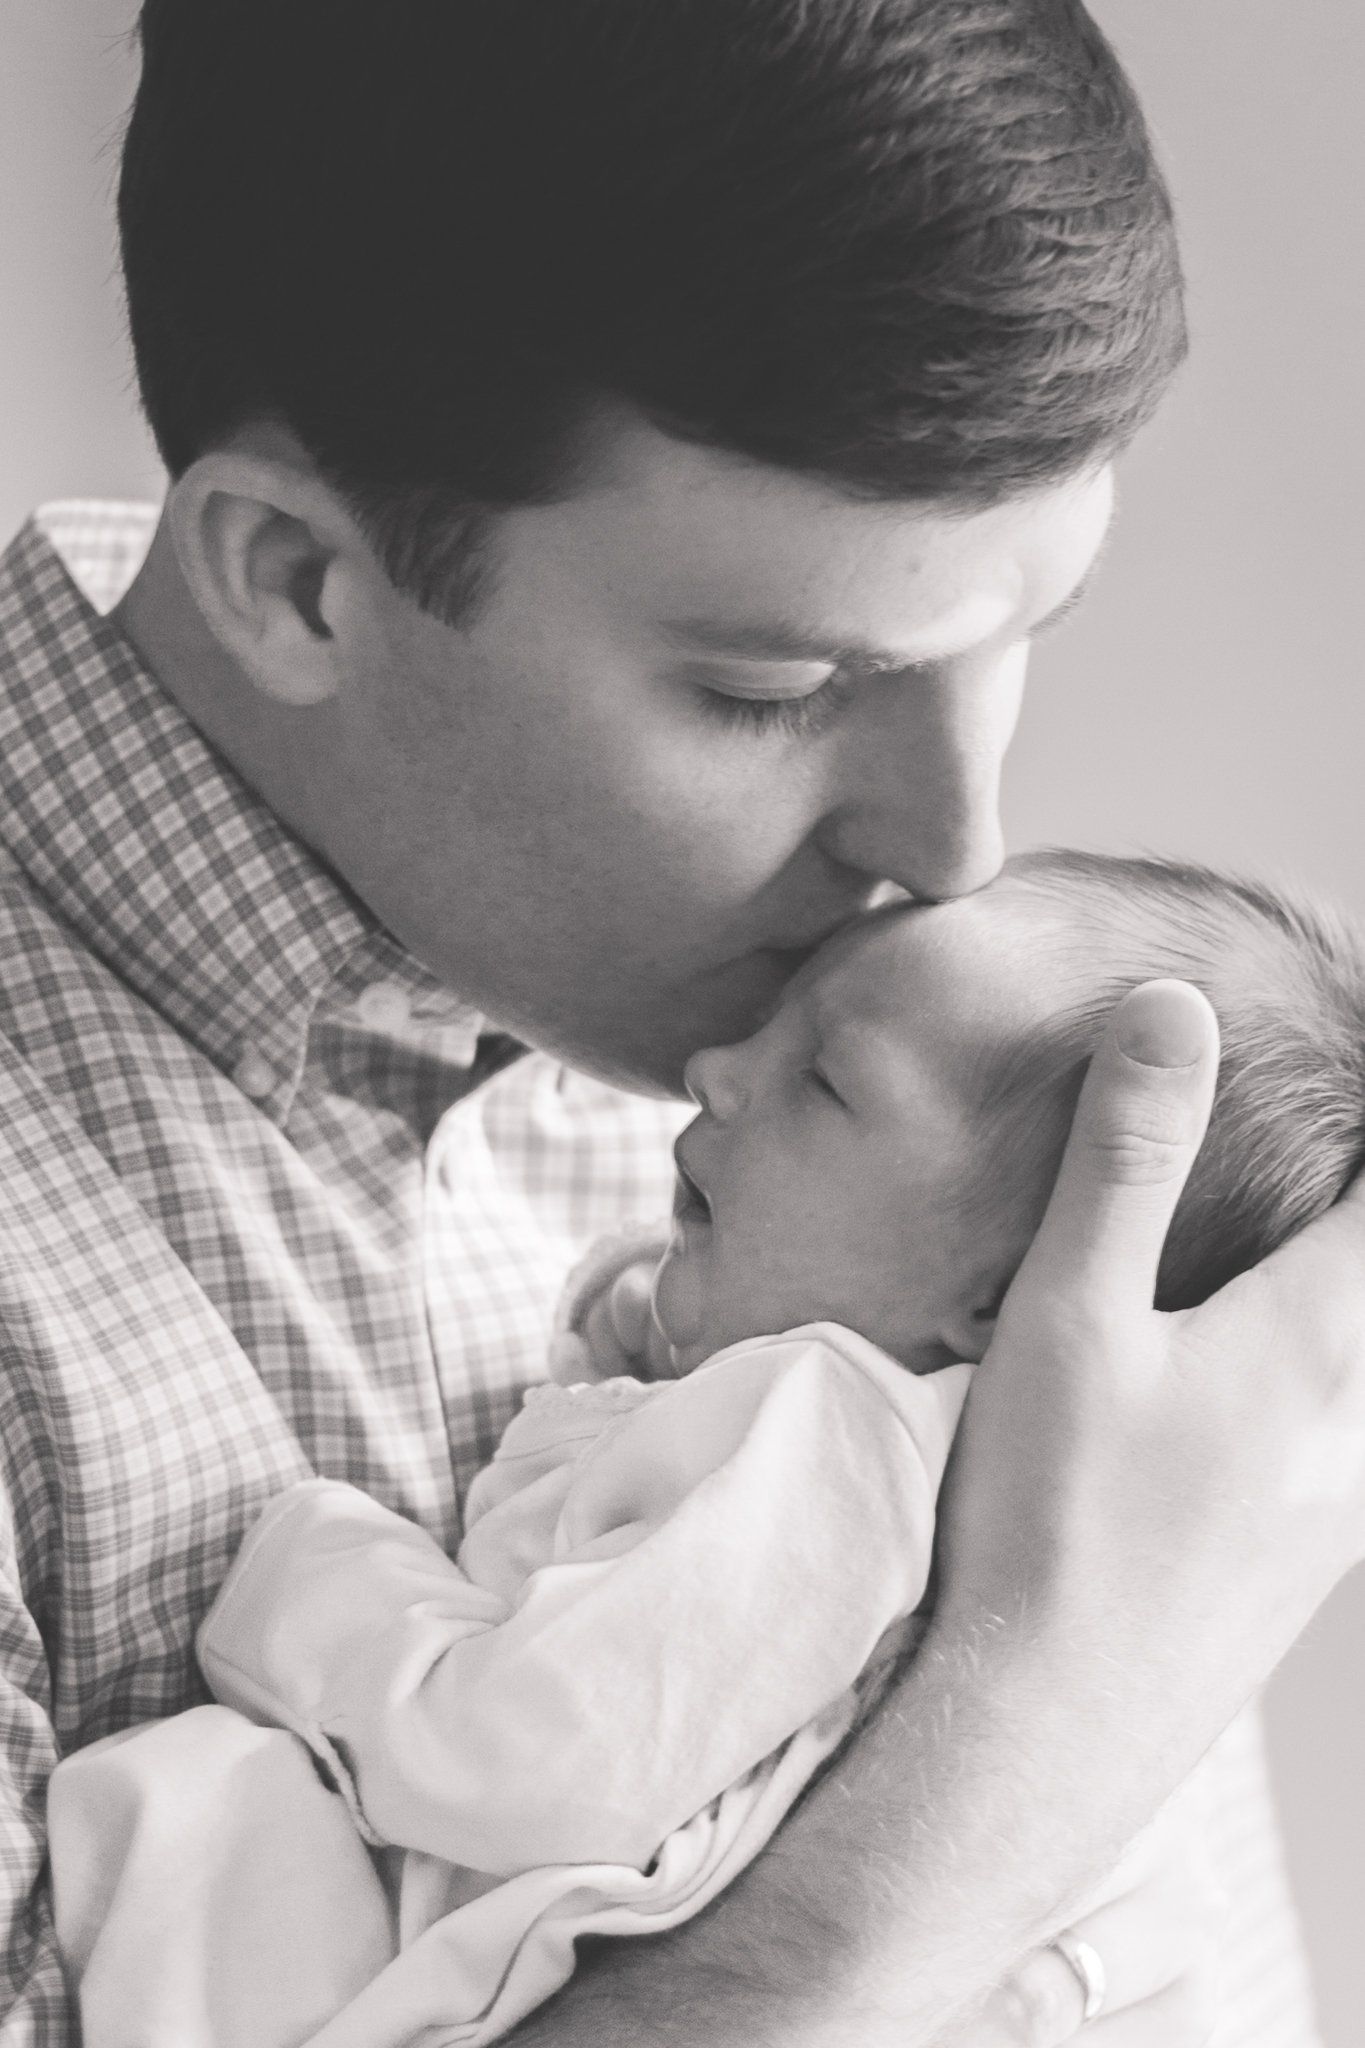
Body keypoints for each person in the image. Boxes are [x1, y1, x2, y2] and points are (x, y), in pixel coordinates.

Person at [1, 2, 1362, 2042]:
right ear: (295, 579)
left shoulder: (969, 1125)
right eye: (771, 691)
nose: (952, 842)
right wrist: (1033, 1722)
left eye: (1013, 635)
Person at [48, 848, 1365, 2046]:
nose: (716, 1074)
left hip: (483, 1969)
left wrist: (314, 1570)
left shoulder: (829, 1424)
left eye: (826, 1081)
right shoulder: (1084, 1505)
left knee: (192, 1805)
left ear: (1011, 1294)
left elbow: (523, 1754)